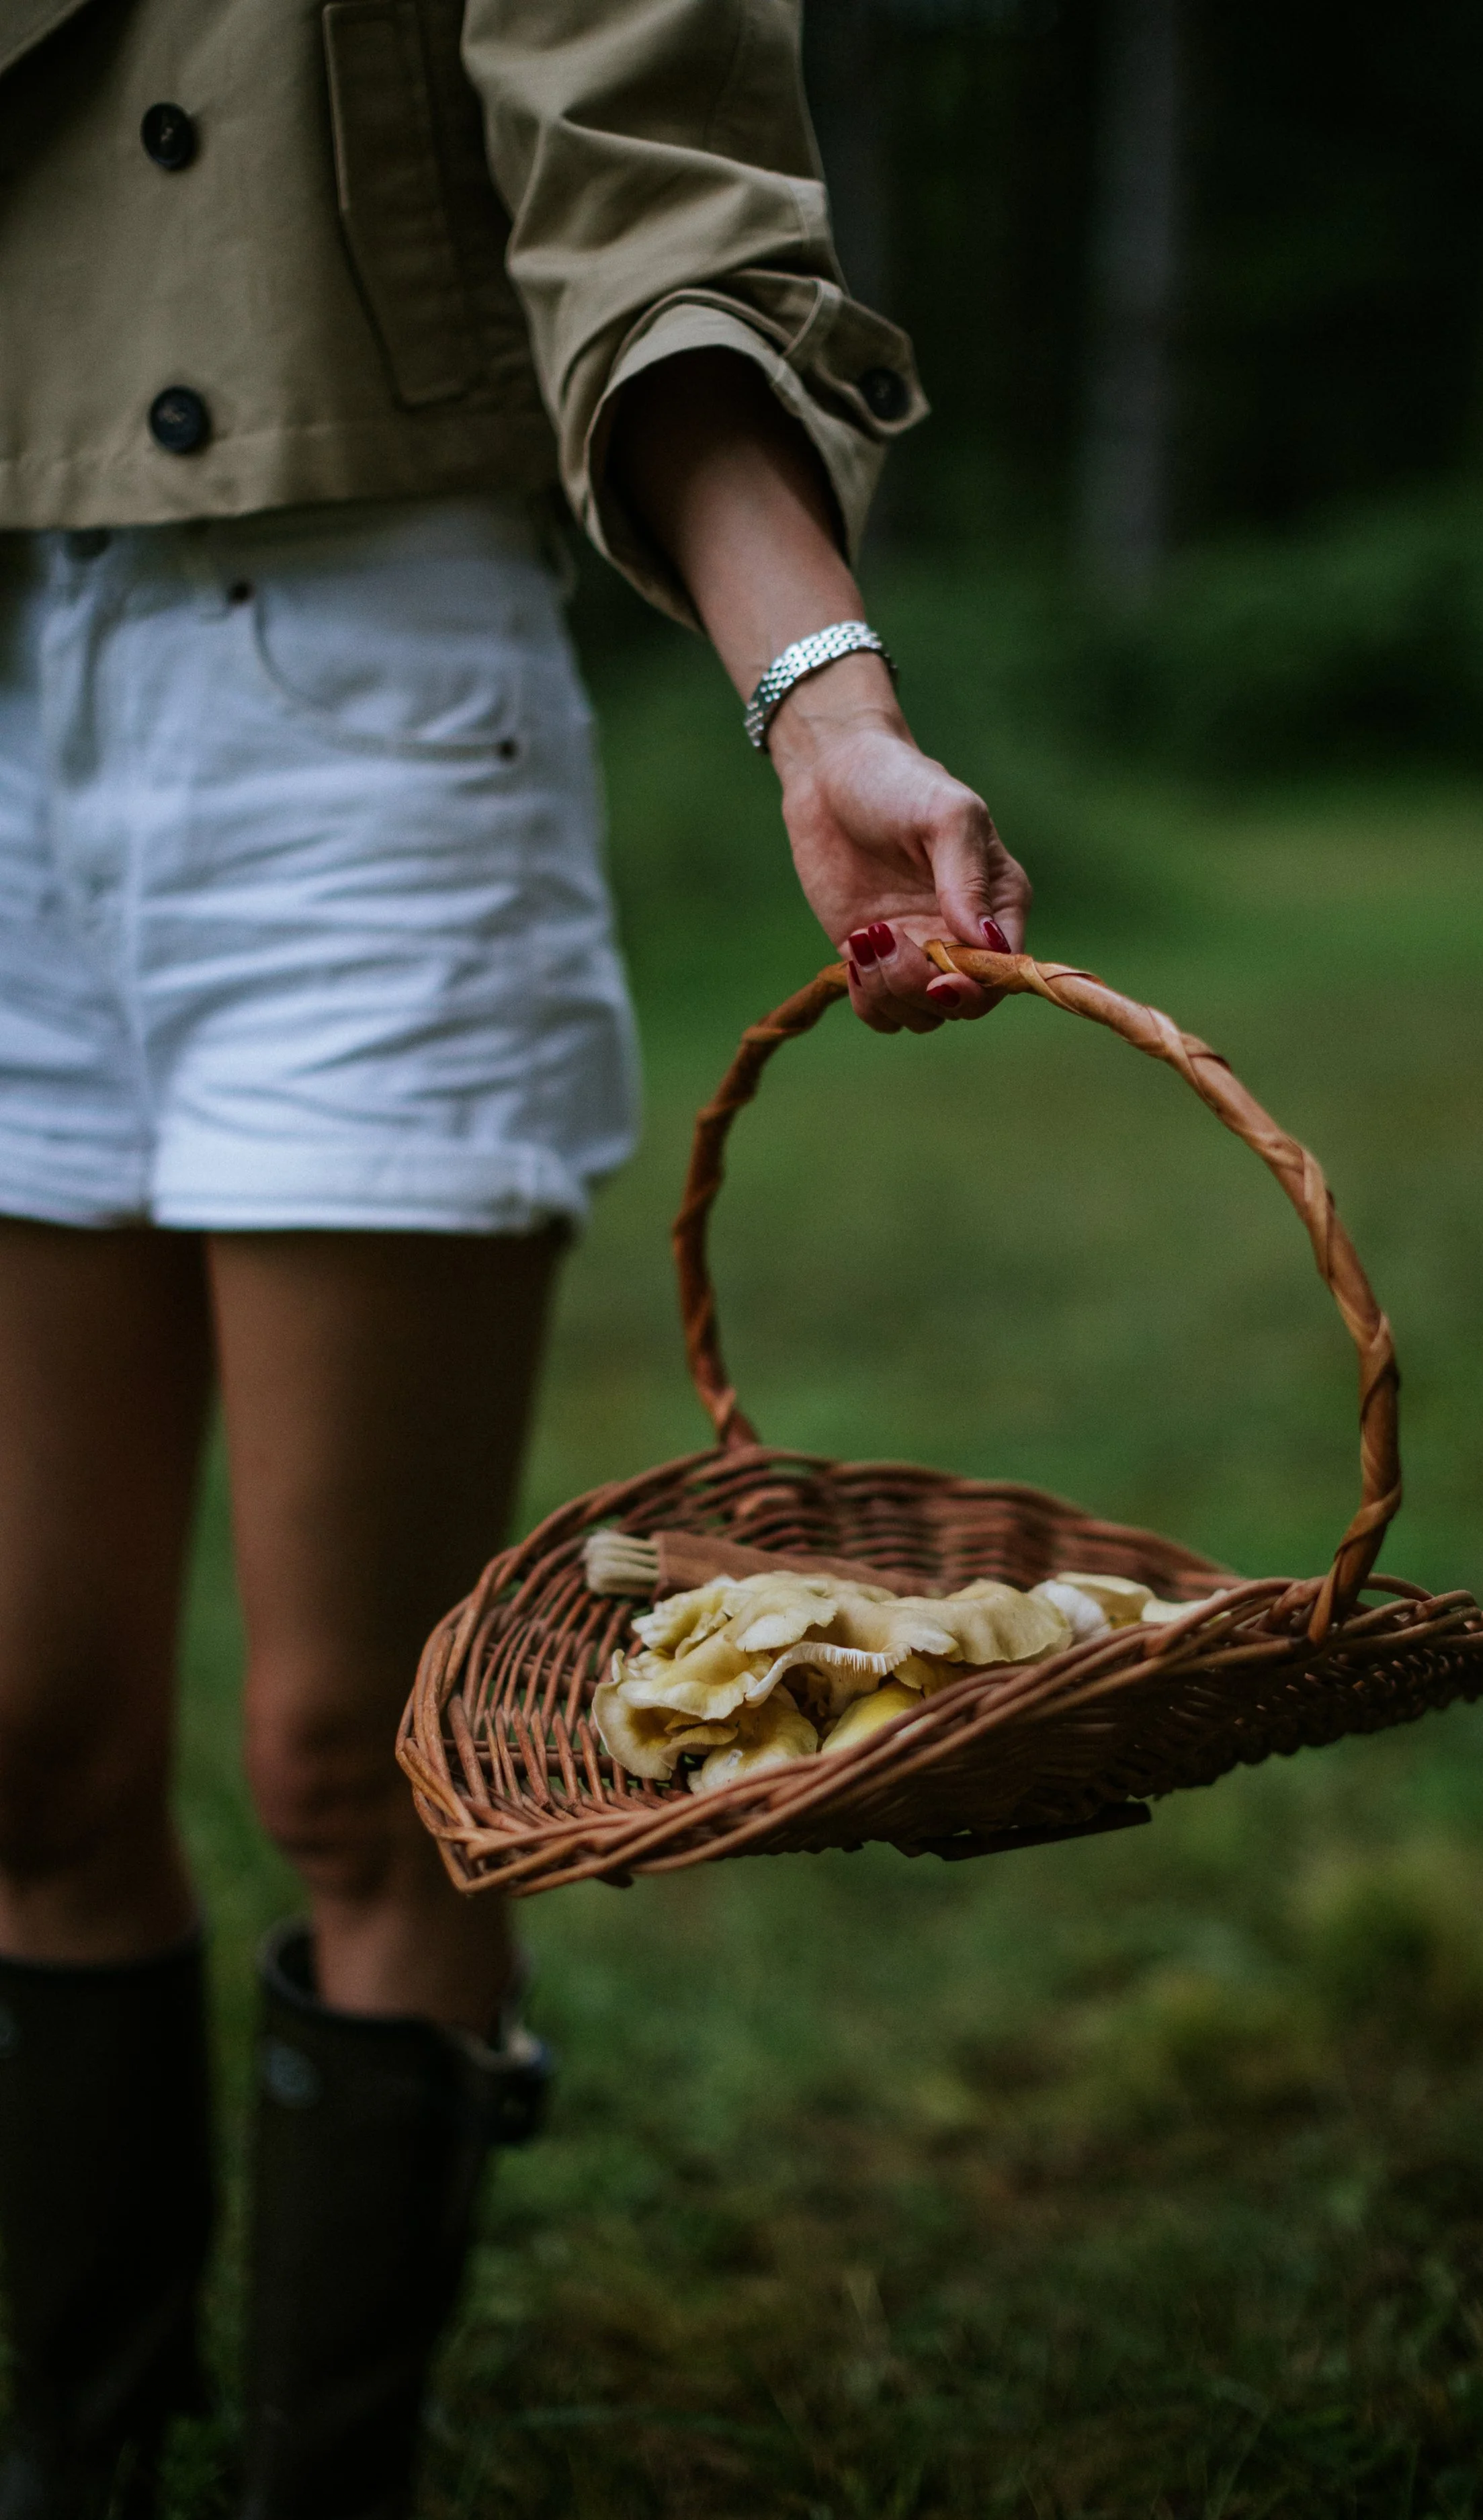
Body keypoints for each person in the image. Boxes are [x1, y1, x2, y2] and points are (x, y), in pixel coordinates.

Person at [0, 0, 1030, 2514]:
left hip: (353, 710)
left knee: (356, 1756)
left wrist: (816, 690)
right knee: (24, 1734)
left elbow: (654, 193)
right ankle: (71, 2449)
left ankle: (324, 2476)